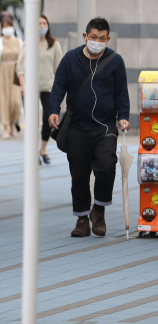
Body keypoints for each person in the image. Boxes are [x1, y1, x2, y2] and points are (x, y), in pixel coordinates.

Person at [49, 17, 130, 238]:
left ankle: (99, 211)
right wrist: (53, 110)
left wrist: (123, 117)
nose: (97, 41)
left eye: (102, 39)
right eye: (93, 37)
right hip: (77, 126)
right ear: (85, 37)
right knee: (79, 175)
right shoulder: (70, 59)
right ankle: (82, 220)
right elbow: (58, 88)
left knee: (106, 166)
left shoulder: (115, 61)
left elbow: (122, 92)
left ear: (108, 39)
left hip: (105, 127)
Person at [16, 15, 63, 164]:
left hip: (48, 87)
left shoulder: (54, 44)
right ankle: (33, 152)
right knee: (32, 121)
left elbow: (59, 68)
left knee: (47, 119)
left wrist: (59, 87)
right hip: (30, 88)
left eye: (44, 23)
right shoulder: (28, 43)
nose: (42, 26)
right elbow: (20, 66)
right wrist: (23, 84)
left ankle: (43, 148)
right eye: (39, 23)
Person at [0, 15, 23, 139]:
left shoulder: (19, 42)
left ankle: (13, 122)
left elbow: (23, 60)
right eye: (5, 26)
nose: (7, 28)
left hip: (16, 74)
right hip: (2, 73)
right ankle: (6, 127)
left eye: (9, 26)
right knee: (3, 100)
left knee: (16, 102)